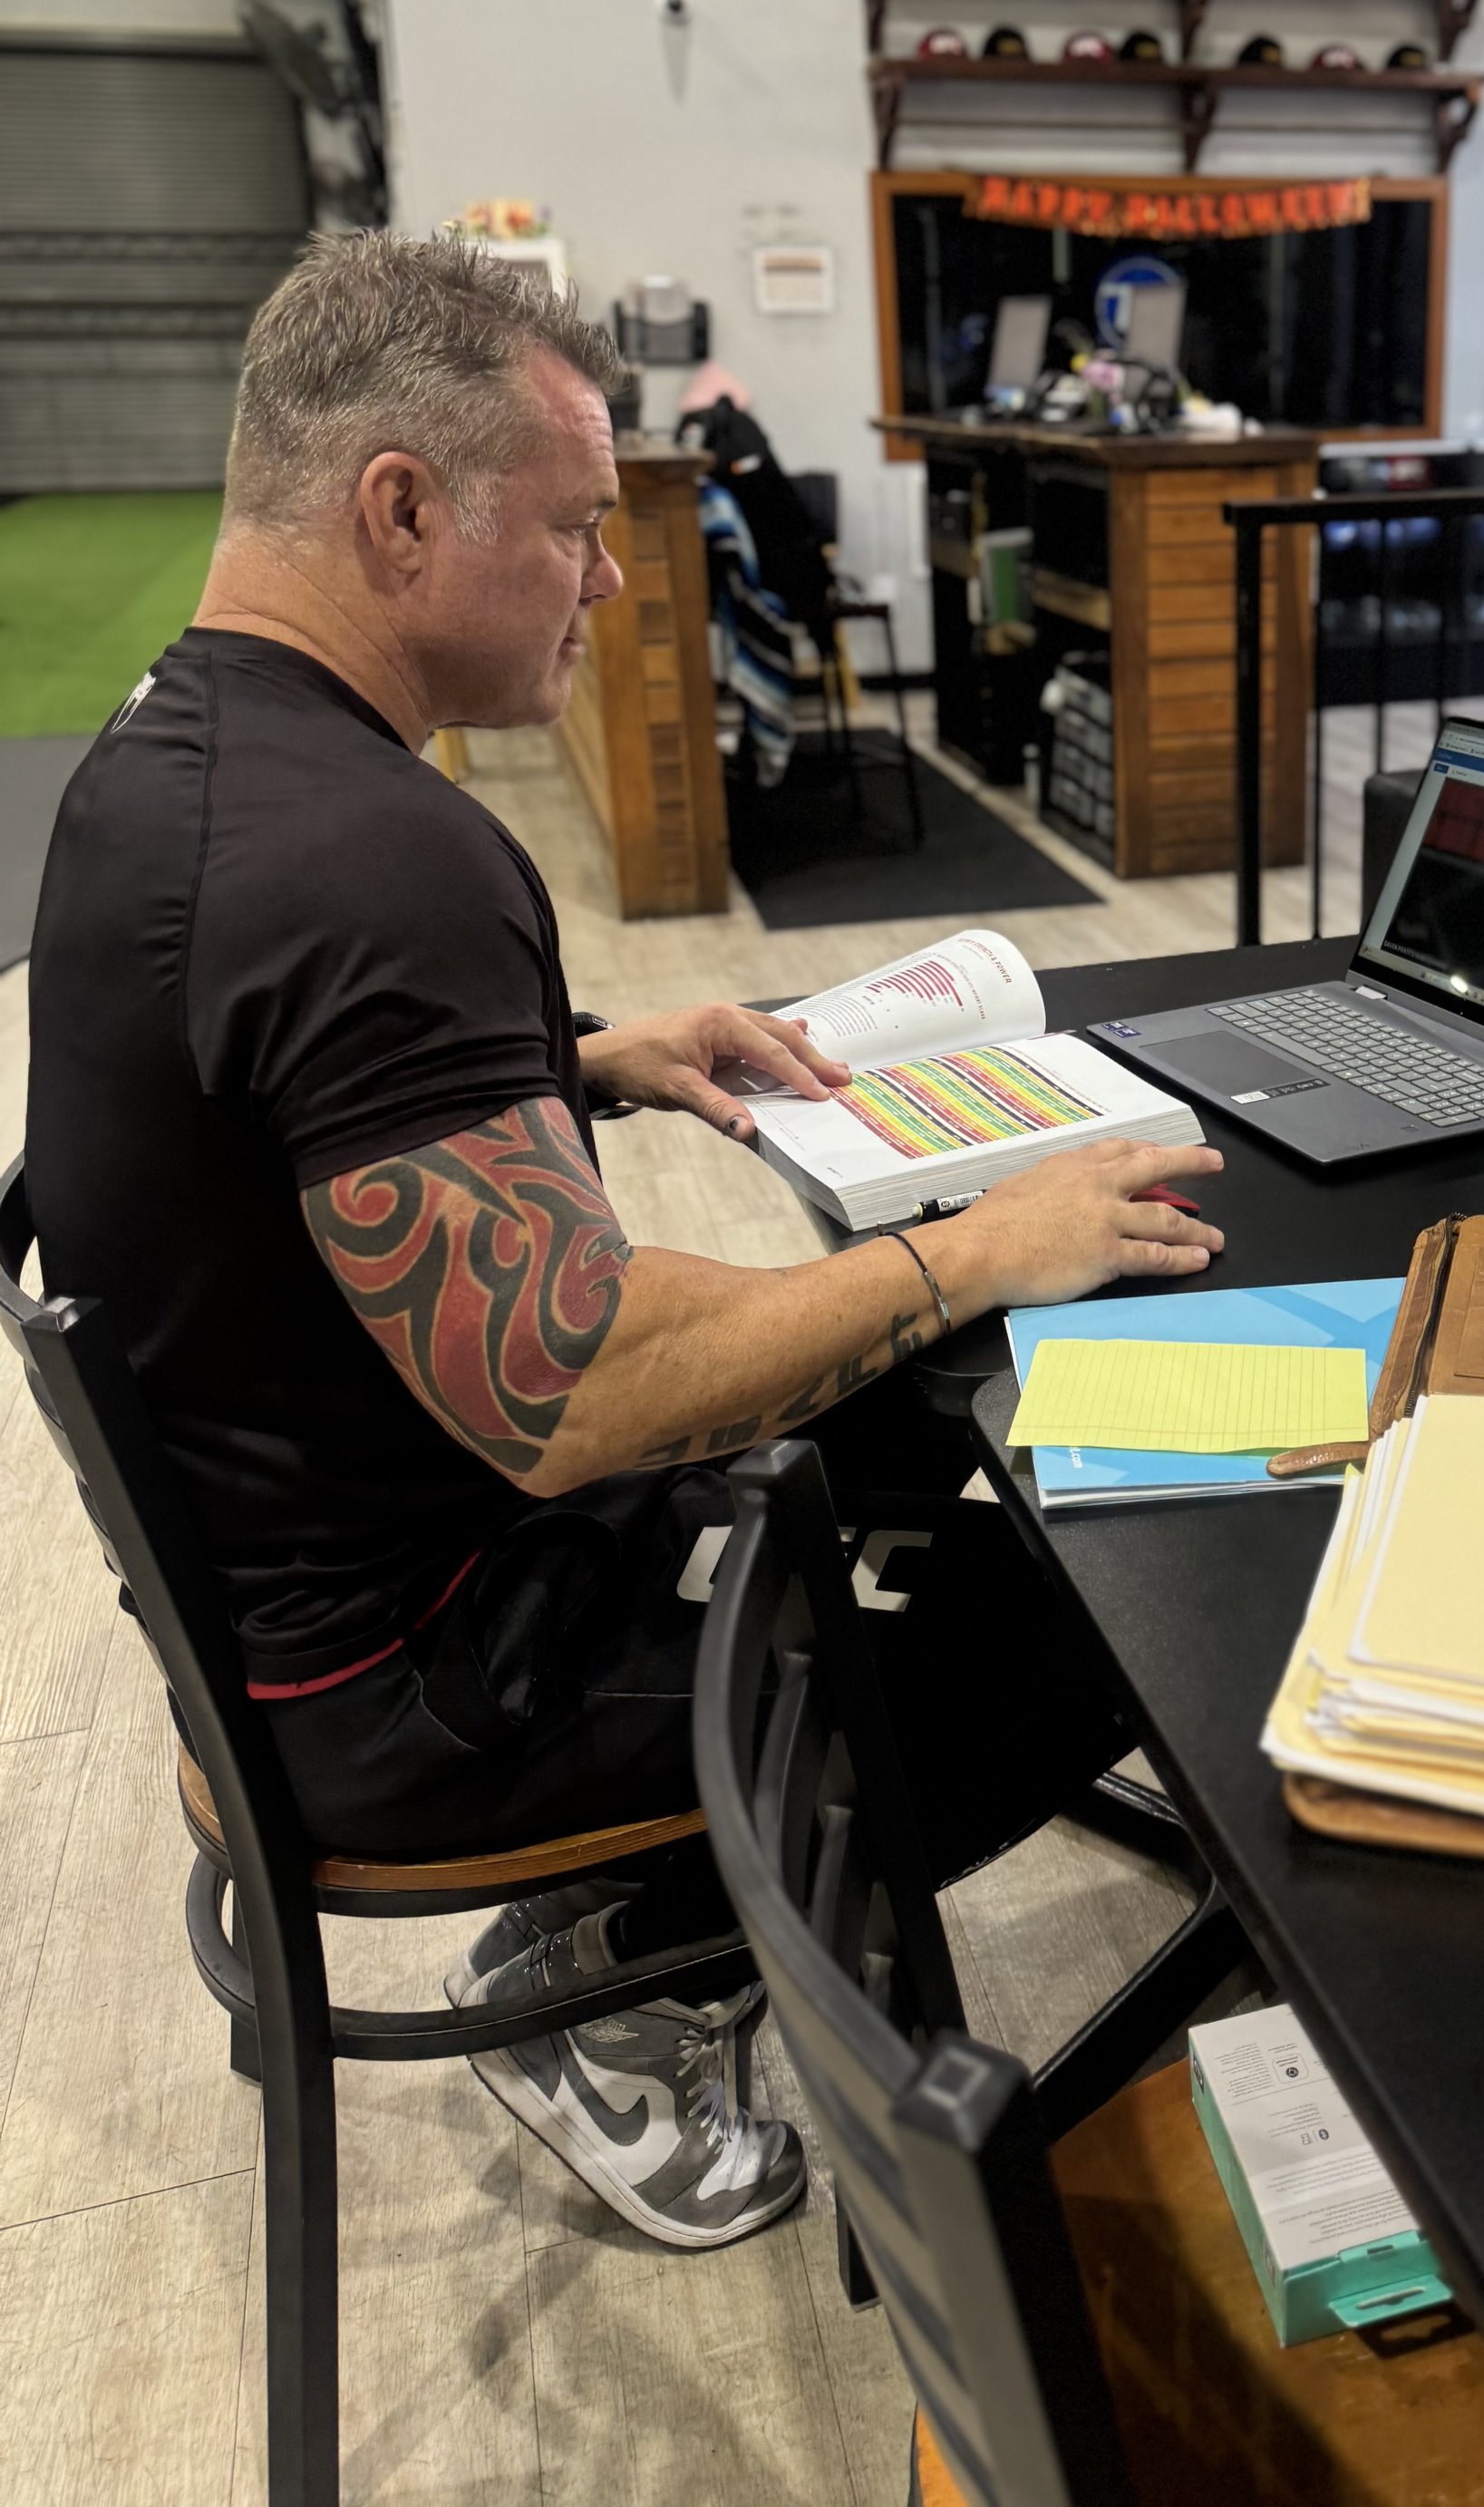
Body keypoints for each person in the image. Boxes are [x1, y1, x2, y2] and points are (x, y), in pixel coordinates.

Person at [25, 233, 1223, 2253]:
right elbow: (575, 1392)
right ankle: (626, 1994)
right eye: (574, 529)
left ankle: (662, 1923)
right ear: (399, 507)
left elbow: (280, 1099)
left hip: (282, 1588)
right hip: (403, 1683)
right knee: (1079, 1599)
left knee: (921, 1440)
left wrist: (571, 1057)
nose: (606, 580)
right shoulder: (379, 858)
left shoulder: (176, 756)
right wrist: (974, 1249)